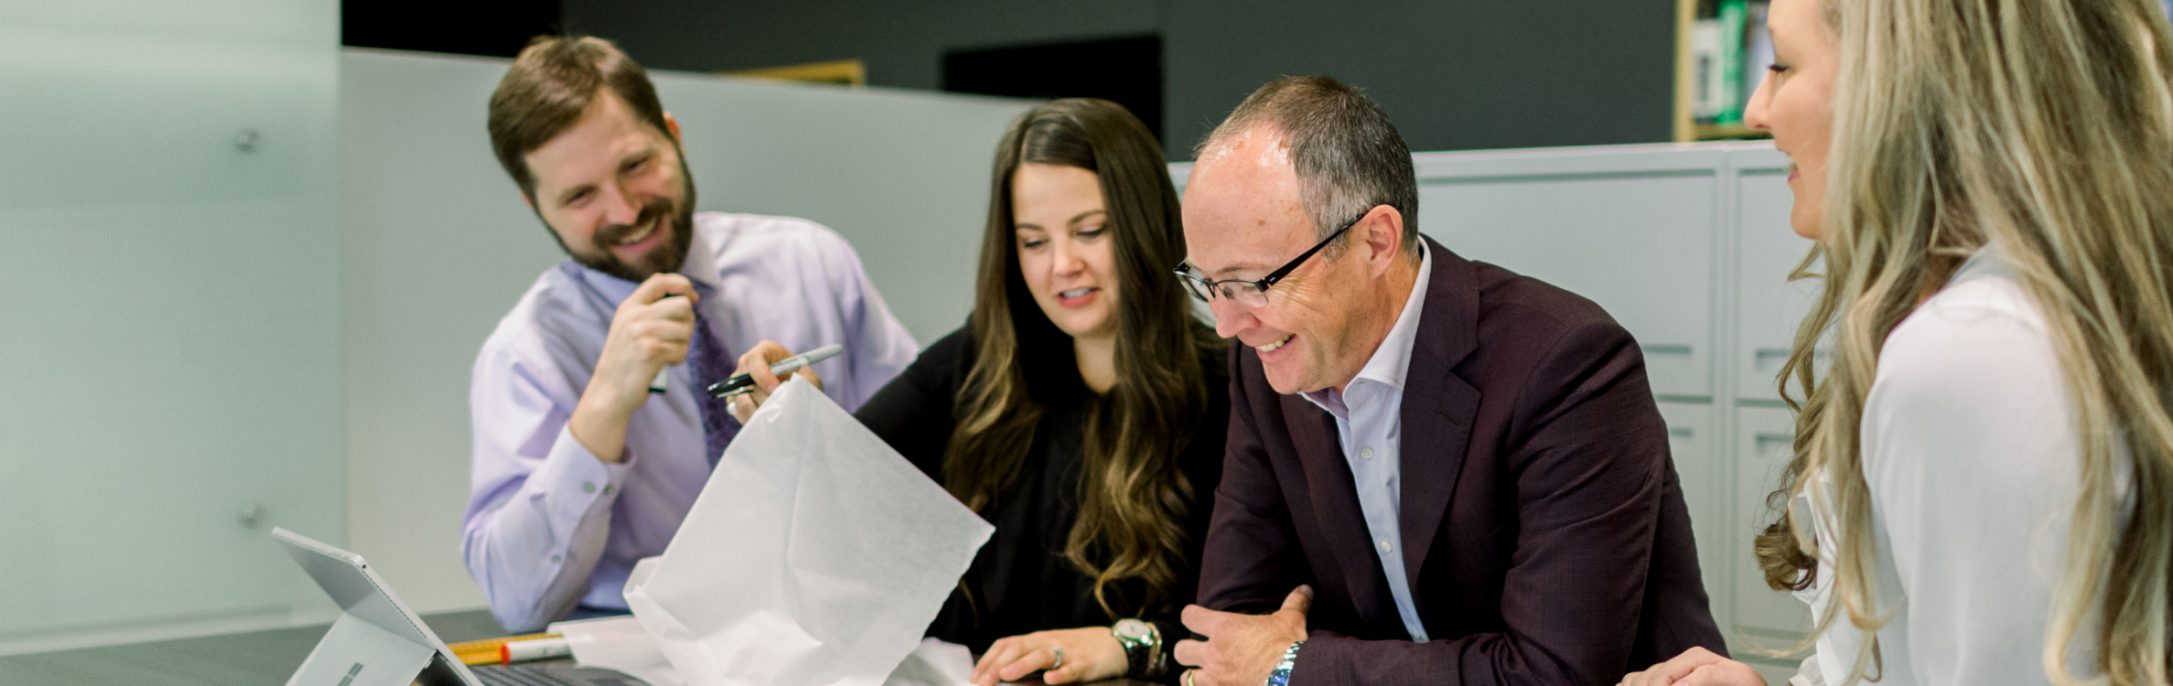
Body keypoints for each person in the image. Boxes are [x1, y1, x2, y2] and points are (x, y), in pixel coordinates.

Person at [1621, 0, 2173, 684]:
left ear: (1901, 87)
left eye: (1784, 65)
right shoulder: (2095, 304)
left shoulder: (1975, 354)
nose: (1757, 109)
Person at [1166, 76, 1727, 686]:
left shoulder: (1565, 365)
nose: (1227, 324)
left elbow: (1553, 674)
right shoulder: (1267, 361)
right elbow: (1229, 634)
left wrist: (1296, 666)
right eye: (1207, 284)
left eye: (1252, 283)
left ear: (1375, 242)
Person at [728, 98, 1228, 686]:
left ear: (1147, 225)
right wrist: (797, 414)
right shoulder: (976, 364)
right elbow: (846, 479)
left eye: (1090, 231)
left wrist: (1128, 644)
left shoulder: (1227, 392)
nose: (1062, 264)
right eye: (1033, 242)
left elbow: (1258, 620)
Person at [461, 35, 918, 633]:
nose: (625, 211)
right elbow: (517, 602)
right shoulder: (526, 355)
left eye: (635, 166)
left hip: (836, 628)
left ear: (672, 136)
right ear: (535, 205)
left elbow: (933, 486)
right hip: (639, 646)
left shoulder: (813, 266)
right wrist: (601, 411)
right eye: (580, 196)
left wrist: (825, 439)